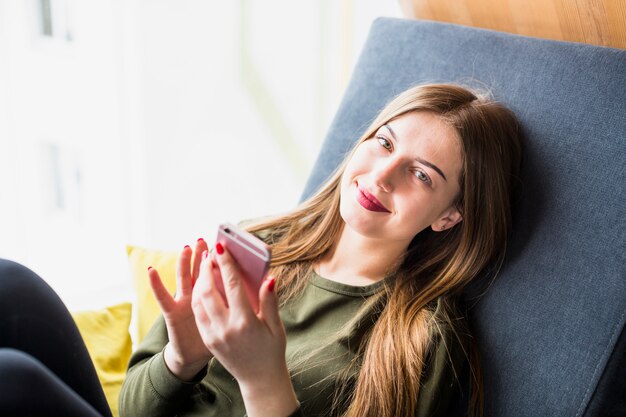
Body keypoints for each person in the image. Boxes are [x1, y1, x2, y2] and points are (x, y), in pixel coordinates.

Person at [0, 83, 522, 417]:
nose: (382, 176)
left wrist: (263, 381)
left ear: (450, 215)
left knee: (15, 381)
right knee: (14, 286)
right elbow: (131, 410)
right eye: (385, 143)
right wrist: (181, 358)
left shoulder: (420, 340)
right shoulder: (263, 242)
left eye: (421, 175)